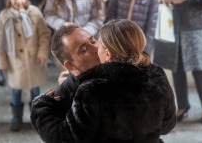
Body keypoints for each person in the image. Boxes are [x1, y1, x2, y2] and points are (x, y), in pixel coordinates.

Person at [31, 19, 176, 143]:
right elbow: (167, 125)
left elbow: (64, 138)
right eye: (84, 49)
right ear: (70, 66)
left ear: (108, 54)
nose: (95, 48)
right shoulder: (157, 75)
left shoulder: (91, 91)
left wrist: (39, 108)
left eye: (94, 40)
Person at [0, 0, 51, 131]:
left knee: (35, 90)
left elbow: (44, 34)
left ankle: (36, 116)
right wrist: (2, 63)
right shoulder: (4, 16)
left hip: (33, 60)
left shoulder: (34, 13)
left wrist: (42, 52)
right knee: (16, 90)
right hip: (14, 61)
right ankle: (16, 117)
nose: (18, 1)